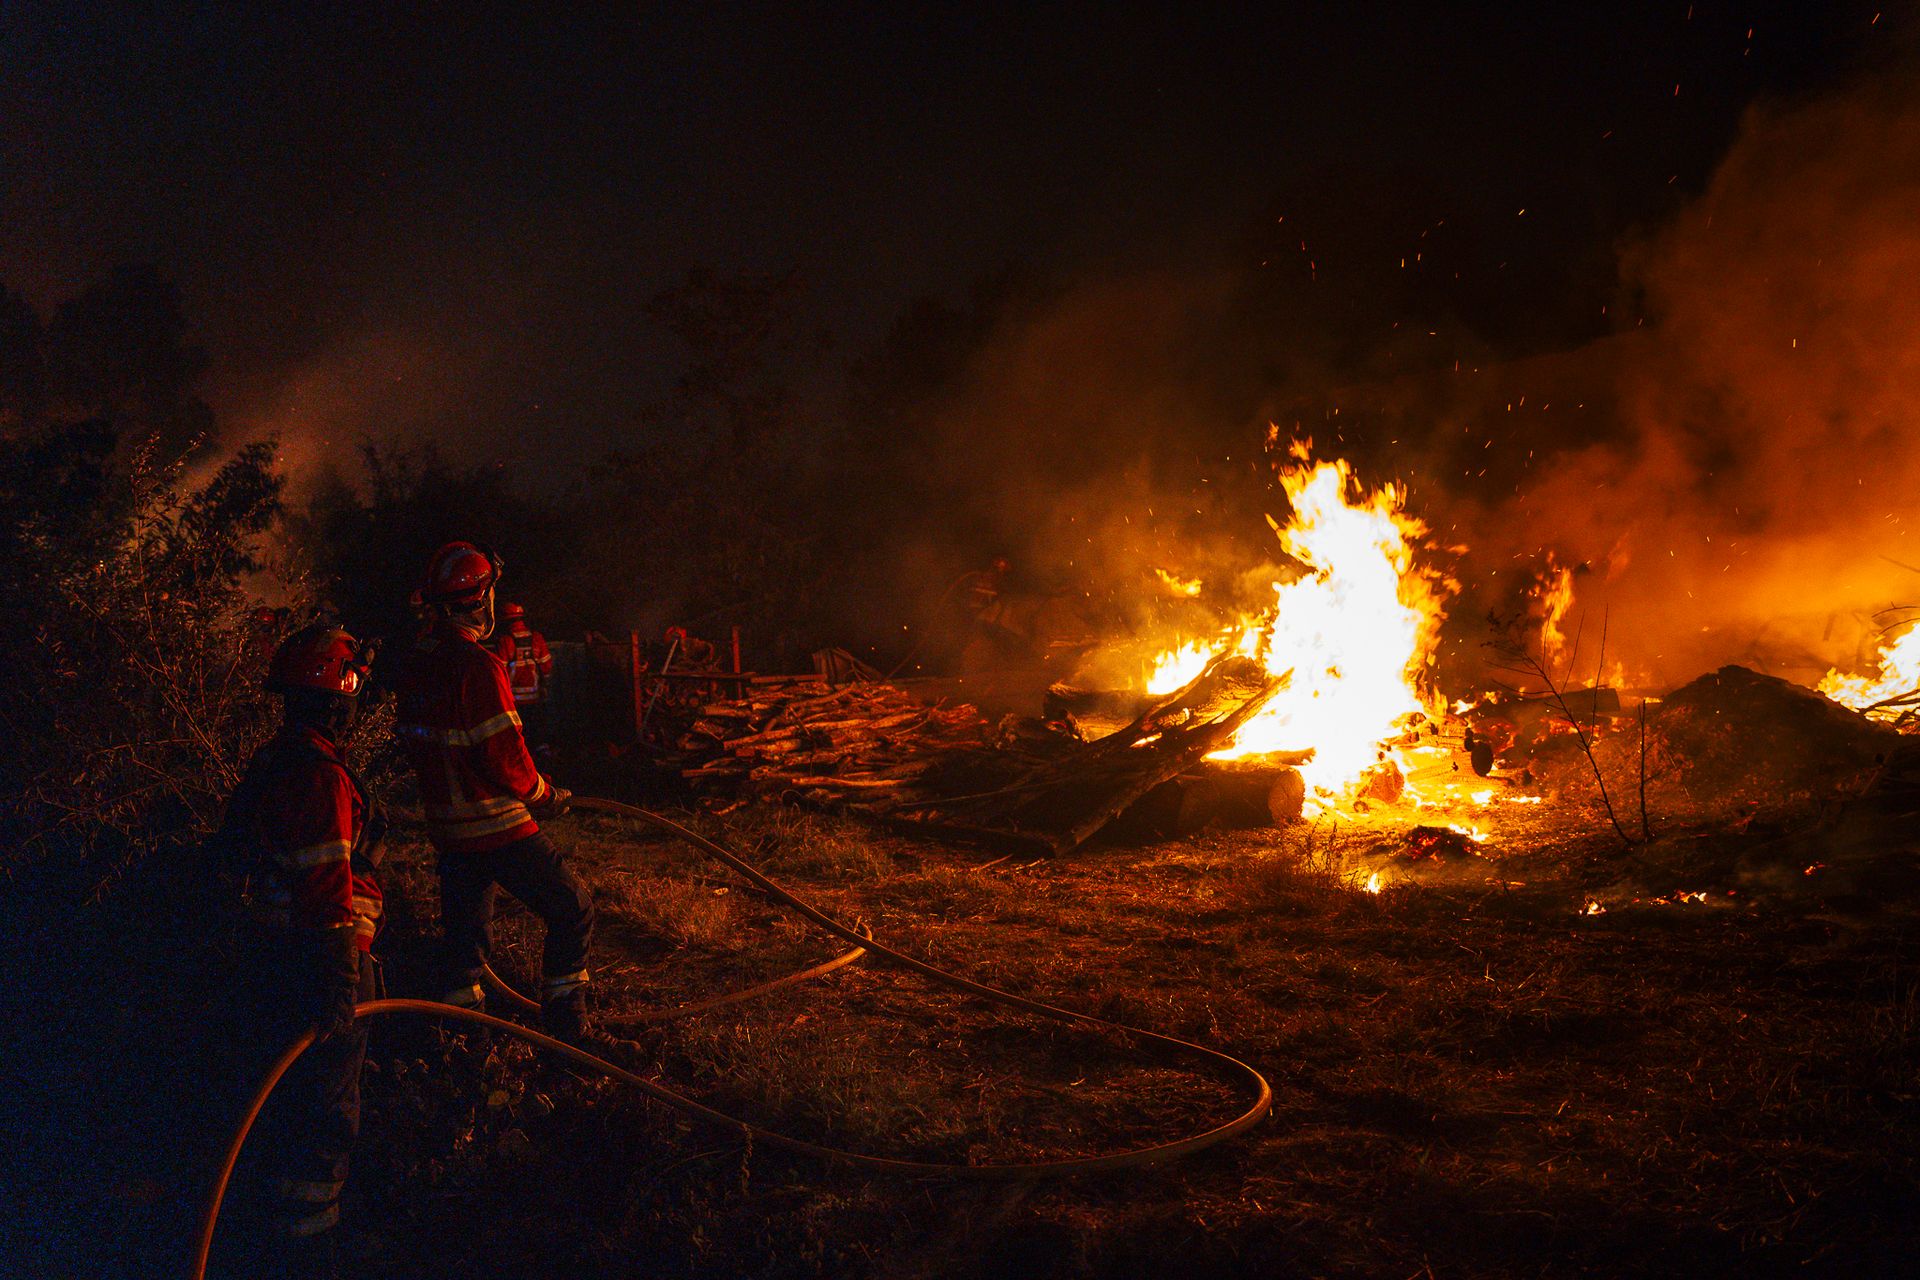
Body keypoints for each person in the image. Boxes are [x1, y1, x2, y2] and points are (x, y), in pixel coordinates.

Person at [216, 624, 384, 1279]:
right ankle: (311, 1251)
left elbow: (233, 857)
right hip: (321, 960)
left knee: (281, 1103)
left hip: (272, 957)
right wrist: (341, 981)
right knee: (325, 1111)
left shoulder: (274, 761)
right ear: (339, 697)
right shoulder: (320, 776)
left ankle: (269, 1238)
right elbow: (325, 888)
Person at [392, 542, 595, 1042]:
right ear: (480, 600)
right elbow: (505, 757)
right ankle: (569, 1030)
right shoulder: (476, 666)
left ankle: (463, 1041)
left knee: (465, 943)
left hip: (449, 832)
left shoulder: (417, 664)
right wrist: (544, 795)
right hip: (497, 827)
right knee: (572, 908)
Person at [492, 602, 555, 744]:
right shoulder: (537, 638)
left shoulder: (505, 641)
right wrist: (545, 687)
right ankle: (541, 750)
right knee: (536, 733)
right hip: (535, 697)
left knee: (518, 736)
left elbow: (498, 671)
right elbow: (547, 666)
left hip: (513, 701)